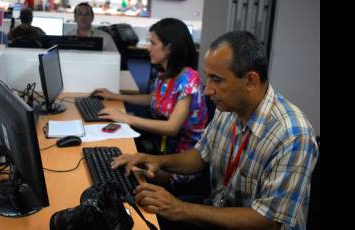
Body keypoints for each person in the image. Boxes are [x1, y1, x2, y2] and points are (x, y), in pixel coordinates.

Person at [110, 31, 319, 230]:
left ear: (250, 81)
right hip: (217, 211)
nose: (207, 90)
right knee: (133, 214)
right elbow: (201, 156)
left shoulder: (293, 135)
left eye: (217, 80)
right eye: (207, 77)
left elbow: (267, 221)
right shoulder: (228, 108)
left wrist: (181, 209)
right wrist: (157, 160)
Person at [92, 18, 208, 194]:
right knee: (116, 164)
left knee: (123, 177)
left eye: (153, 43)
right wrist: (114, 96)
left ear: (169, 47)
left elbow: (171, 128)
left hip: (181, 161)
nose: (148, 48)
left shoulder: (189, 79)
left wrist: (126, 117)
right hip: (160, 147)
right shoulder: (166, 73)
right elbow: (154, 99)